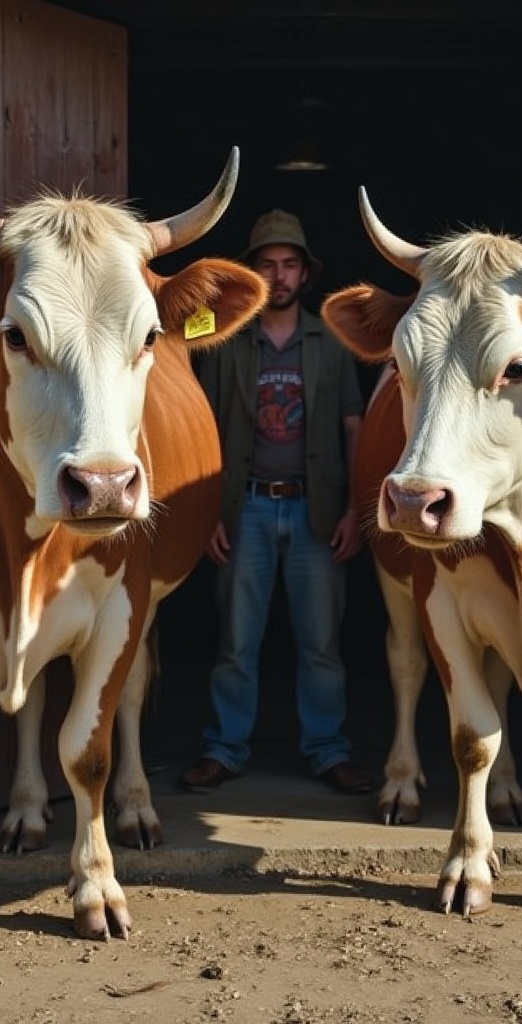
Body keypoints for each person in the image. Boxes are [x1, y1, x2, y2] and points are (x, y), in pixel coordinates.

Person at [180, 209, 372, 796]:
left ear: (305, 273)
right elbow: (199, 427)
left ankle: (328, 751)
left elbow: (354, 427)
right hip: (247, 510)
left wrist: (355, 510)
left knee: (322, 645)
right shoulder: (224, 342)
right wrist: (204, 513)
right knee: (236, 643)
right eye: (267, 265)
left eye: (290, 264)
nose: (279, 275)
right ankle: (223, 749)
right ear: (252, 274)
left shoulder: (332, 340)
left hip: (317, 513)